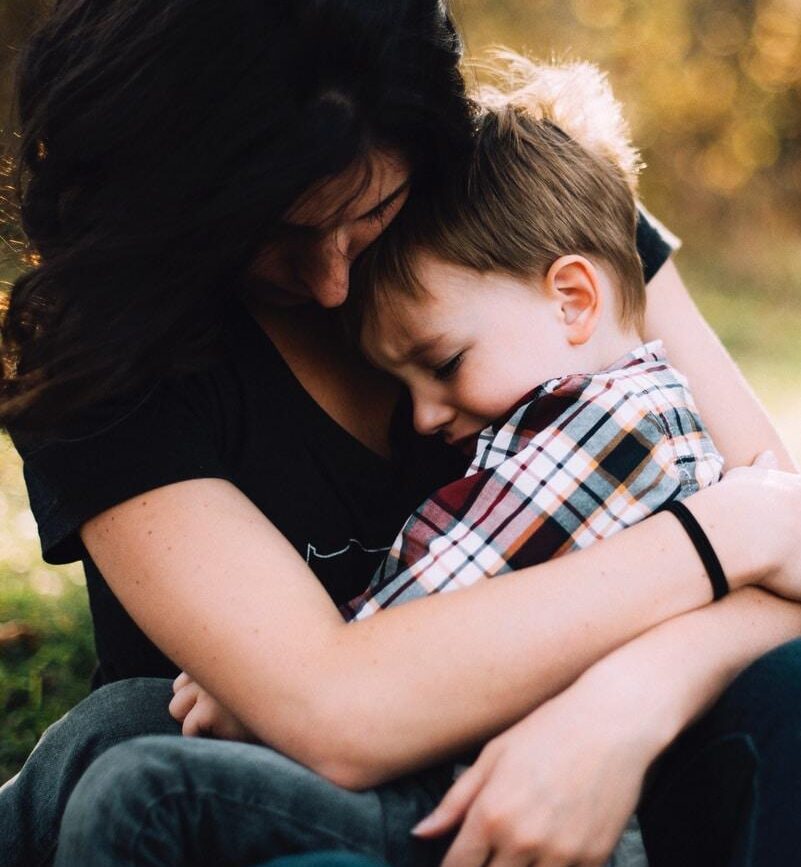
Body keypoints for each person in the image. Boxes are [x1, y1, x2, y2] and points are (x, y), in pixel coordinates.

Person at [2, 2, 801, 866]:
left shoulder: (516, 212)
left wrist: (622, 704)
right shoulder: (100, 348)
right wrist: (726, 531)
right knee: (123, 741)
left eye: (372, 209)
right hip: (276, 802)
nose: (334, 282)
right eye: (272, 234)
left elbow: (789, 567)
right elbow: (333, 706)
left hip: (596, 782)